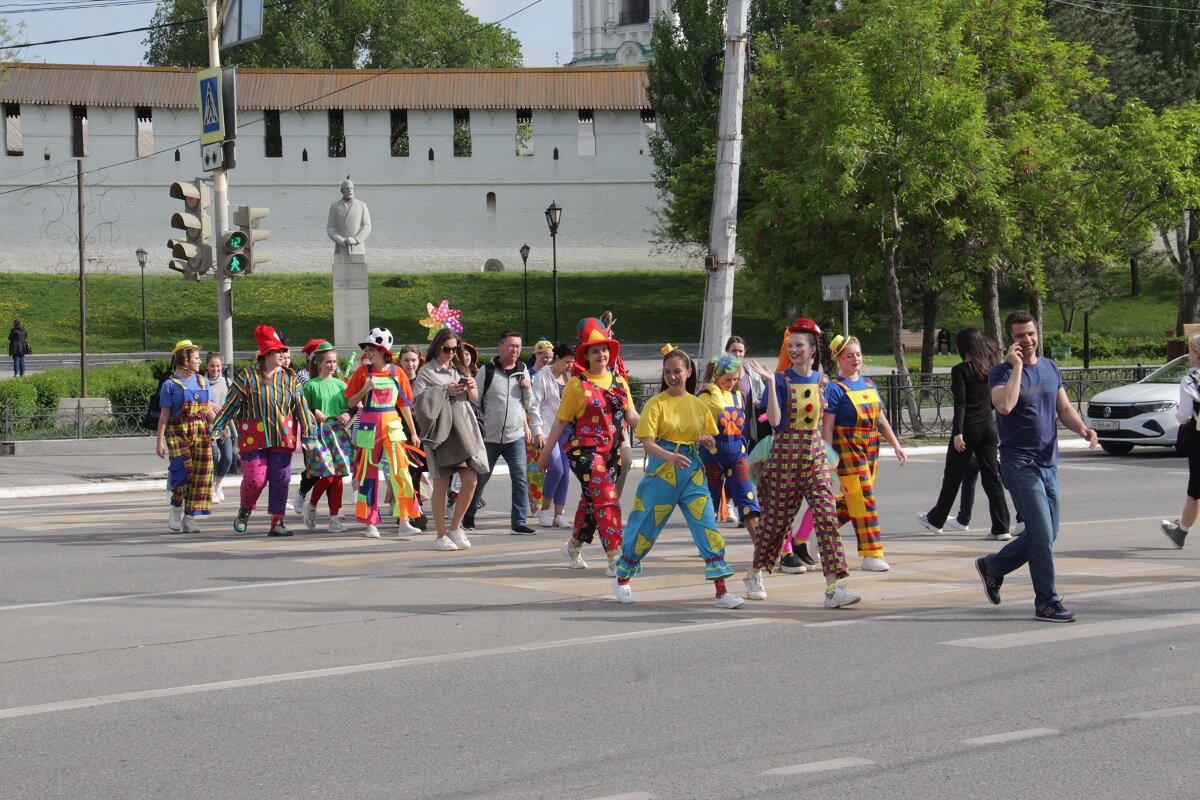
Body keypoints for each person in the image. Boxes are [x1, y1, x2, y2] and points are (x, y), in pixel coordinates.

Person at [975, 311, 1097, 623]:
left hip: (1048, 463)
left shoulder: (1049, 367)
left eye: (1030, 334)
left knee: (1048, 533)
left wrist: (1082, 429)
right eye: (1020, 336)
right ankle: (1047, 602)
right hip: (1019, 463)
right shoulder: (1000, 373)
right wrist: (1016, 367)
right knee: (1041, 534)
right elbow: (1005, 404)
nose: (1027, 340)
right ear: (1010, 340)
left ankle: (994, 566)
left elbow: (1064, 408)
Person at [612, 346, 744, 608]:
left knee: (707, 525)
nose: (673, 377)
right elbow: (648, 443)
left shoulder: (698, 404)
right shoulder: (656, 404)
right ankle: (623, 578)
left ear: (689, 372)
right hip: (662, 472)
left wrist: (707, 440)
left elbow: (709, 436)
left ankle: (721, 591)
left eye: (678, 371)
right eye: (668, 372)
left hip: (692, 472)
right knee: (645, 526)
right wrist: (670, 456)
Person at [743, 318, 859, 608]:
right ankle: (754, 573)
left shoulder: (823, 381)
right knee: (775, 524)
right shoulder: (781, 380)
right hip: (784, 457)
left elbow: (825, 422)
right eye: (790, 345)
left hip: (815, 456)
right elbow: (775, 421)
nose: (793, 350)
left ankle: (833, 588)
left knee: (827, 518)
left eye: (799, 345)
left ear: (811, 350)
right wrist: (770, 383)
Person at [537, 317, 639, 575]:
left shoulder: (619, 382)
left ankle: (573, 546)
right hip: (584, 452)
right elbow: (560, 422)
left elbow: (633, 417)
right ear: (588, 355)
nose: (601, 354)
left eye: (604, 350)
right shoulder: (576, 385)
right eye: (595, 351)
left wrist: (661, 424)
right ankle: (616, 556)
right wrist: (545, 454)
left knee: (590, 502)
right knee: (606, 499)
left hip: (611, 453)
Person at [213, 325, 317, 537]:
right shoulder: (247, 377)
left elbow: (302, 408)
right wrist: (217, 427)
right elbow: (231, 405)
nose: (283, 354)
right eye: (278, 351)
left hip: (282, 436)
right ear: (267, 353)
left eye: (283, 350)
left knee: (281, 478)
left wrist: (309, 435)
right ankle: (245, 510)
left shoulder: (290, 378)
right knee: (255, 479)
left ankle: (277, 521)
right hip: (254, 437)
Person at [822, 334, 907, 572]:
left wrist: (896, 444)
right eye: (849, 356)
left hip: (871, 447)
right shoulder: (835, 388)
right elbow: (827, 426)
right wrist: (828, 457)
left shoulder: (870, 384)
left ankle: (812, 537)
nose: (855, 359)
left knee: (854, 500)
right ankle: (871, 554)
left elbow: (880, 419)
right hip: (847, 447)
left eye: (858, 354)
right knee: (865, 498)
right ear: (839, 359)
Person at [917, 328, 1011, 540]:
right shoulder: (992, 369)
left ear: (962, 347)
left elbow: (961, 403)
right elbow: (993, 401)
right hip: (988, 428)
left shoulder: (960, 370)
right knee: (992, 478)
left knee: (952, 477)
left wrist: (958, 432)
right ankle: (1001, 527)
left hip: (968, 429)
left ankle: (936, 520)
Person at [411, 327, 489, 551]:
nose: (451, 353)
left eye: (455, 349)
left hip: (463, 429)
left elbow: (473, 399)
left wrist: (471, 387)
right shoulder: (427, 371)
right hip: (441, 432)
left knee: (471, 480)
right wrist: (445, 390)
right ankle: (440, 535)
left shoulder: (459, 368)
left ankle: (456, 527)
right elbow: (419, 403)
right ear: (437, 347)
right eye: (447, 349)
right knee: (441, 483)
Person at [344, 327, 422, 539]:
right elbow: (351, 402)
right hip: (369, 428)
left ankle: (405, 519)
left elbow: (405, 405)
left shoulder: (398, 373)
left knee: (401, 473)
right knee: (368, 476)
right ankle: (370, 523)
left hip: (393, 427)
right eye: (368, 349)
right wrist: (364, 390)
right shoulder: (362, 373)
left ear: (384, 351)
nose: (369, 353)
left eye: (373, 350)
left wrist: (413, 432)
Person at [462, 330, 536, 535]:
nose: (515, 350)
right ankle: (468, 515)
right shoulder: (488, 370)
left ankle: (519, 522)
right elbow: (474, 400)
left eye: (518, 347)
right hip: (489, 437)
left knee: (520, 477)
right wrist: (477, 427)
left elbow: (529, 405)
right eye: (511, 346)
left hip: (515, 437)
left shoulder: (523, 371)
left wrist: (528, 389)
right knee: (481, 478)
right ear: (500, 346)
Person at [698, 353, 761, 542]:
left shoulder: (739, 396)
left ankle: (761, 546)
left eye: (735, 379)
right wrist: (714, 387)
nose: (732, 383)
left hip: (737, 455)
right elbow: (716, 408)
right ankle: (709, 545)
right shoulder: (706, 395)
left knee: (748, 498)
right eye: (727, 379)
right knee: (710, 502)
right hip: (712, 456)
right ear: (717, 376)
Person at [155, 340, 214, 533]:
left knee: (201, 473)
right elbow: (164, 415)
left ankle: (190, 517)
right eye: (196, 358)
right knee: (183, 470)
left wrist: (219, 428)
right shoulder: (169, 385)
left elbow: (207, 411)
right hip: (177, 430)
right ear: (185, 360)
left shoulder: (203, 381)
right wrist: (159, 442)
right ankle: (176, 509)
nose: (200, 362)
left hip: (200, 430)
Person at [300, 341, 355, 533]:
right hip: (320, 432)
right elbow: (301, 407)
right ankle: (312, 505)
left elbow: (352, 404)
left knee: (339, 475)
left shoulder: (341, 384)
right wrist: (314, 410)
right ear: (319, 363)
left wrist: (348, 413)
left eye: (334, 362)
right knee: (328, 475)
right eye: (328, 362)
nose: (331, 365)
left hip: (338, 432)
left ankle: (334, 519)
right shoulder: (311, 385)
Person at [528, 343, 575, 530]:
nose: (569, 365)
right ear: (557, 359)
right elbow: (534, 406)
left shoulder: (571, 378)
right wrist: (537, 431)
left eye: (572, 362)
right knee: (555, 468)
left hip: (567, 431)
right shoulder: (542, 377)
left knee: (565, 472)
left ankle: (559, 514)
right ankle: (544, 510)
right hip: (548, 430)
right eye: (566, 362)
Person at [1160, 333, 1200, 549]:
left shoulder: (1191, 379)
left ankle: (1181, 532)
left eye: (1191, 350)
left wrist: (1179, 416)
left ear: (1197, 354)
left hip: (1197, 436)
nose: (1188, 355)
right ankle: (1181, 530)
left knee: (1195, 489)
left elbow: (1184, 415)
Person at [397, 345, 429, 530]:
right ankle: (411, 510)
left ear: (419, 361)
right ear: (400, 362)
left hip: (424, 433)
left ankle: (412, 509)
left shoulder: (423, 381)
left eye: (413, 360)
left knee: (418, 472)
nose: (410, 364)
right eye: (406, 360)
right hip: (401, 433)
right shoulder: (397, 381)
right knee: (407, 474)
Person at [205, 352, 234, 505]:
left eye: (218, 366)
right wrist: (210, 404)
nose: (215, 369)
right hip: (208, 427)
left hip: (225, 426)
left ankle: (218, 484)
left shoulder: (228, 382)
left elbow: (234, 400)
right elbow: (200, 402)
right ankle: (210, 489)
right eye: (212, 366)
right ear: (207, 366)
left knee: (228, 457)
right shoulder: (201, 381)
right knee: (214, 456)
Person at [326, 176, 372, 255]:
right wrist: (340, 240)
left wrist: (356, 240)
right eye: (347, 188)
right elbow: (331, 227)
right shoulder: (335, 206)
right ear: (342, 190)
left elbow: (367, 225)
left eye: (352, 188)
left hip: (358, 247)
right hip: (341, 247)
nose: (350, 190)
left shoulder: (362, 205)